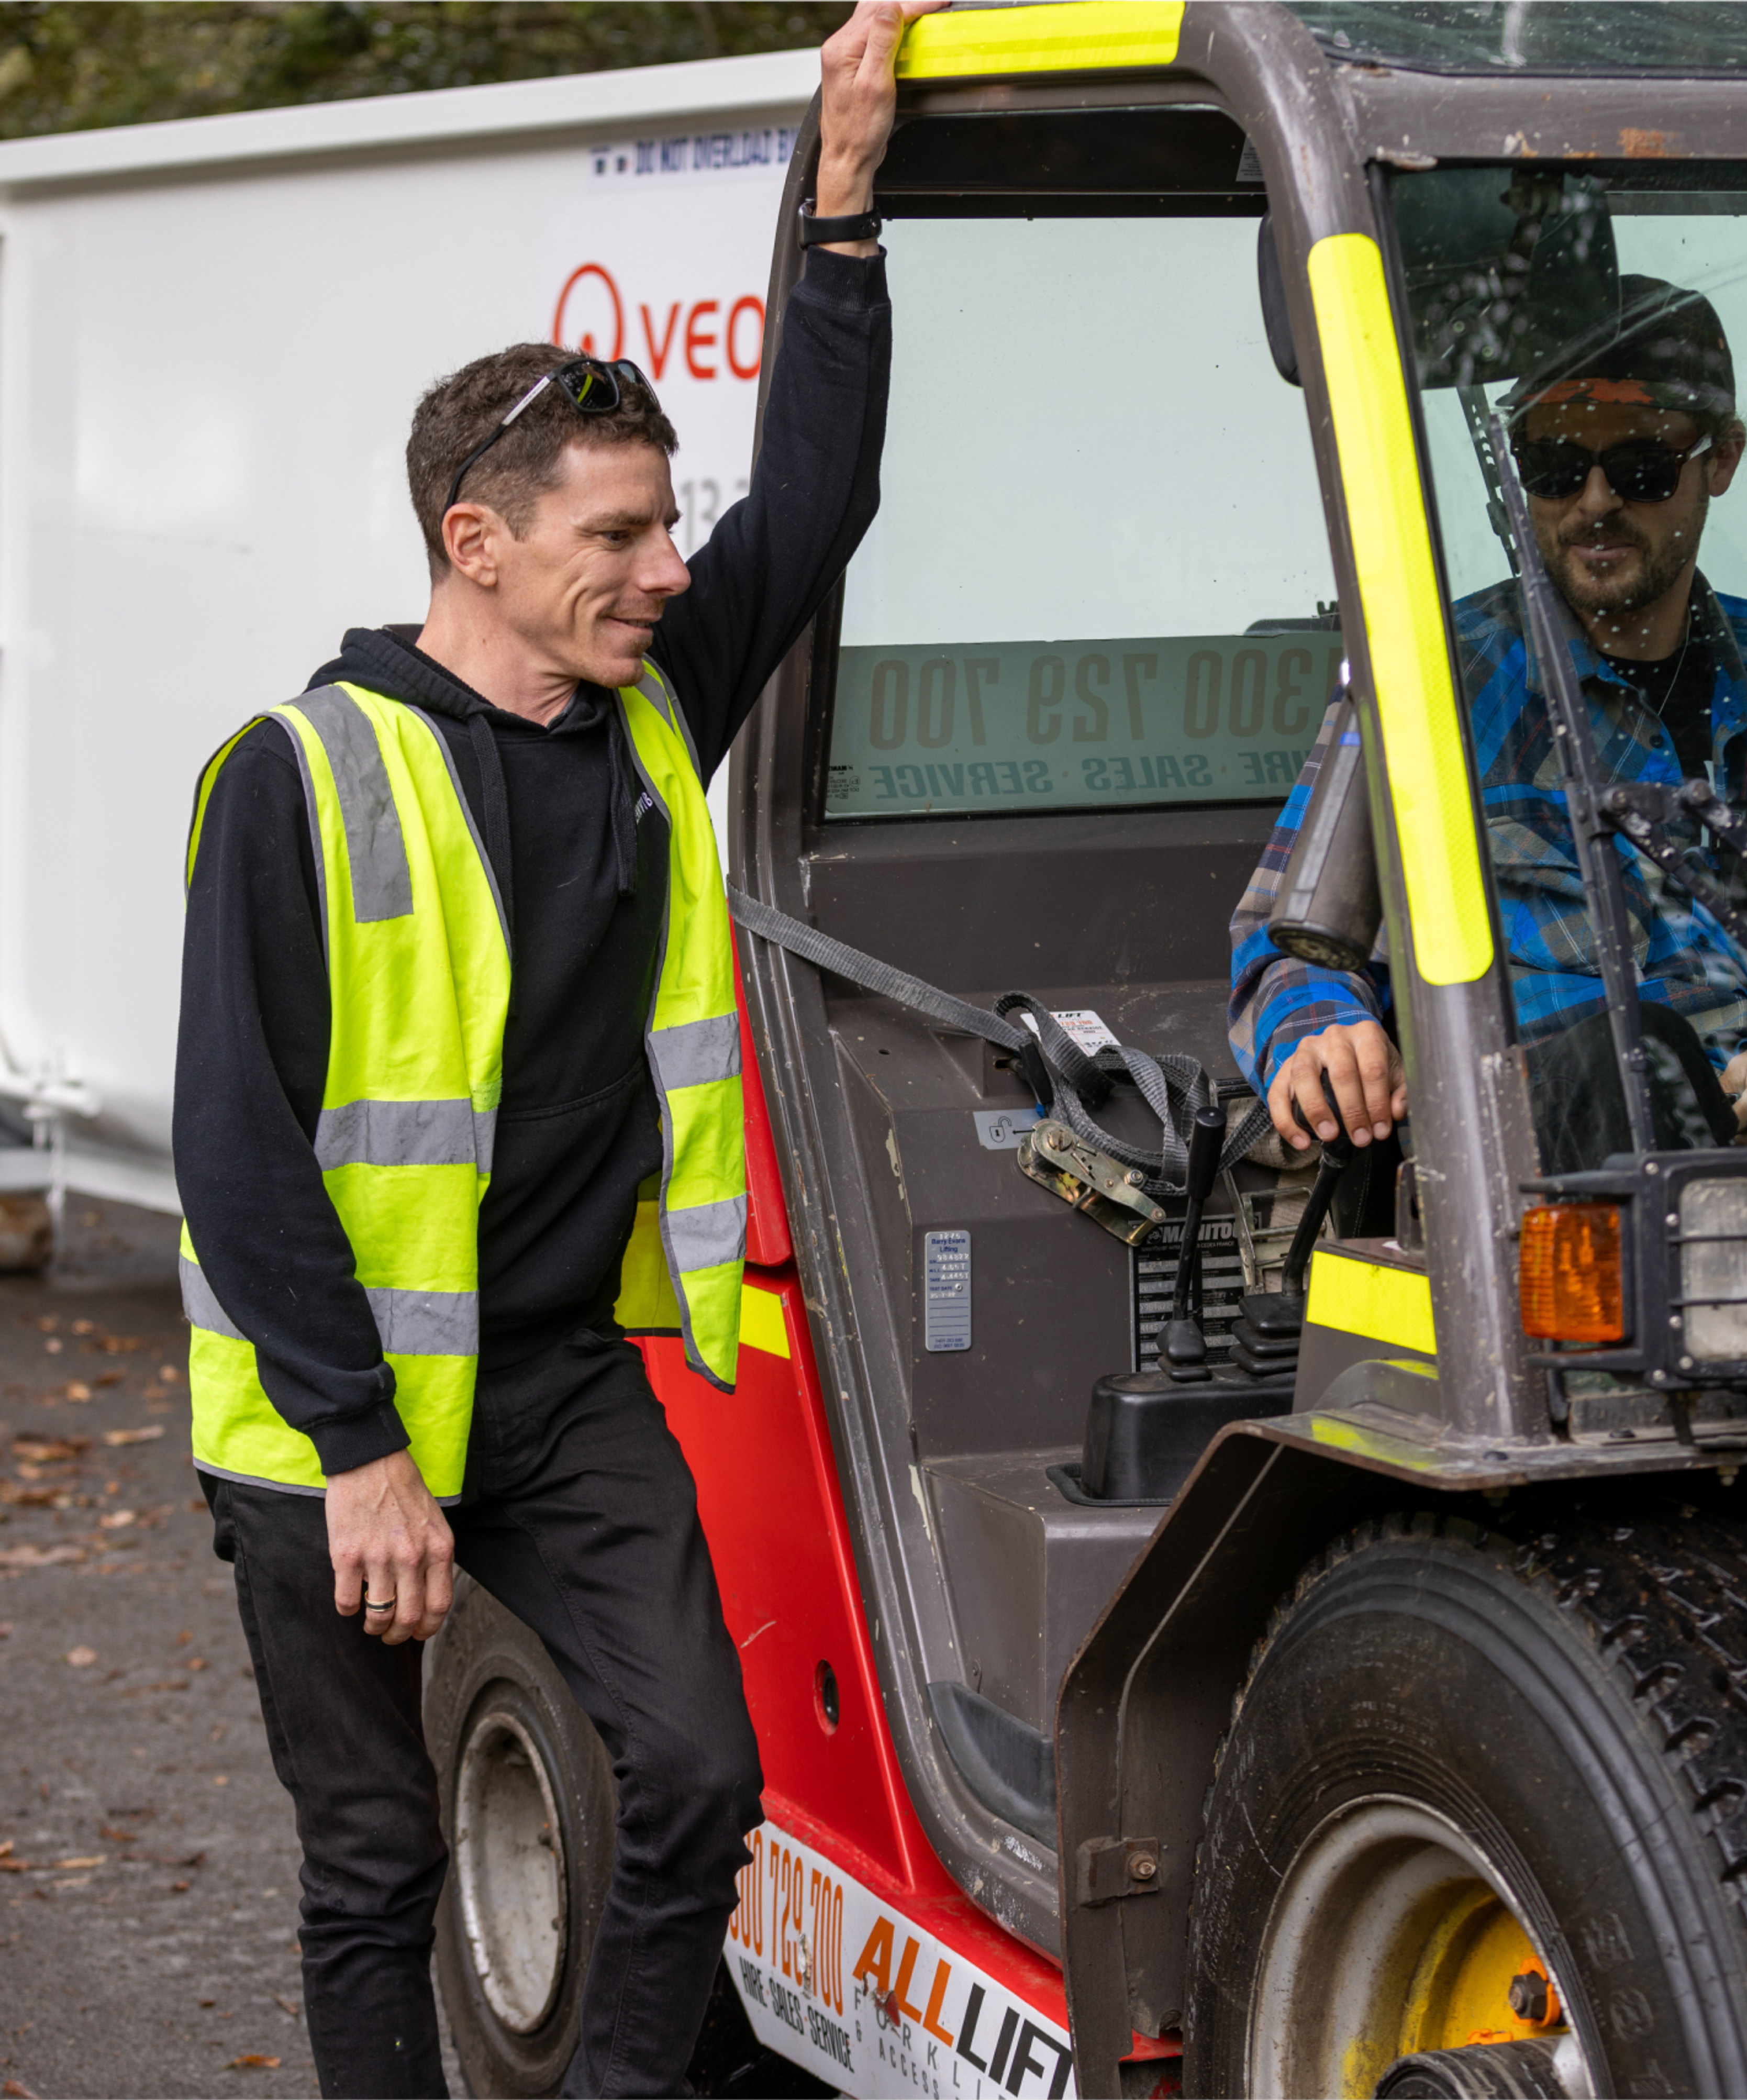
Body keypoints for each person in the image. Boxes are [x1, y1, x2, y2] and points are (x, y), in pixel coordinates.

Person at [170, 4, 940, 2094]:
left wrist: (844, 198)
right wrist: (357, 1455)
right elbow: (237, 1162)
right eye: (619, 539)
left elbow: (830, 492)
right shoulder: (301, 781)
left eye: (669, 530)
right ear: (475, 543)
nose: (668, 572)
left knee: (697, 1779)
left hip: (557, 1381)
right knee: (376, 1857)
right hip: (329, 1427)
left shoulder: (653, 698)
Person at [1229, 275, 1747, 1161]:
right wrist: (1320, 1034)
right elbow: (1287, 943)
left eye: (1640, 467)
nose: (1595, 502)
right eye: (1556, 469)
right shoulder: (1431, 686)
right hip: (1546, 1194)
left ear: (1722, 460)